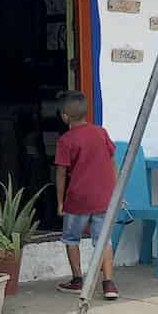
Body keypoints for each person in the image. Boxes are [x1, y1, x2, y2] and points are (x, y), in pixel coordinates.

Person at [53, 90, 119, 300]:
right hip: (104, 198)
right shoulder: (101, 132)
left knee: (71, 239)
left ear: (65, 116)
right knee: (104, 240)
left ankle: (77, 280)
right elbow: (112, 161)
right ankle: (108, 283)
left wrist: (60, 202)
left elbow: (61, 172)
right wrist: (116, 191)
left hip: (78, 199)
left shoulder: (66, 140)